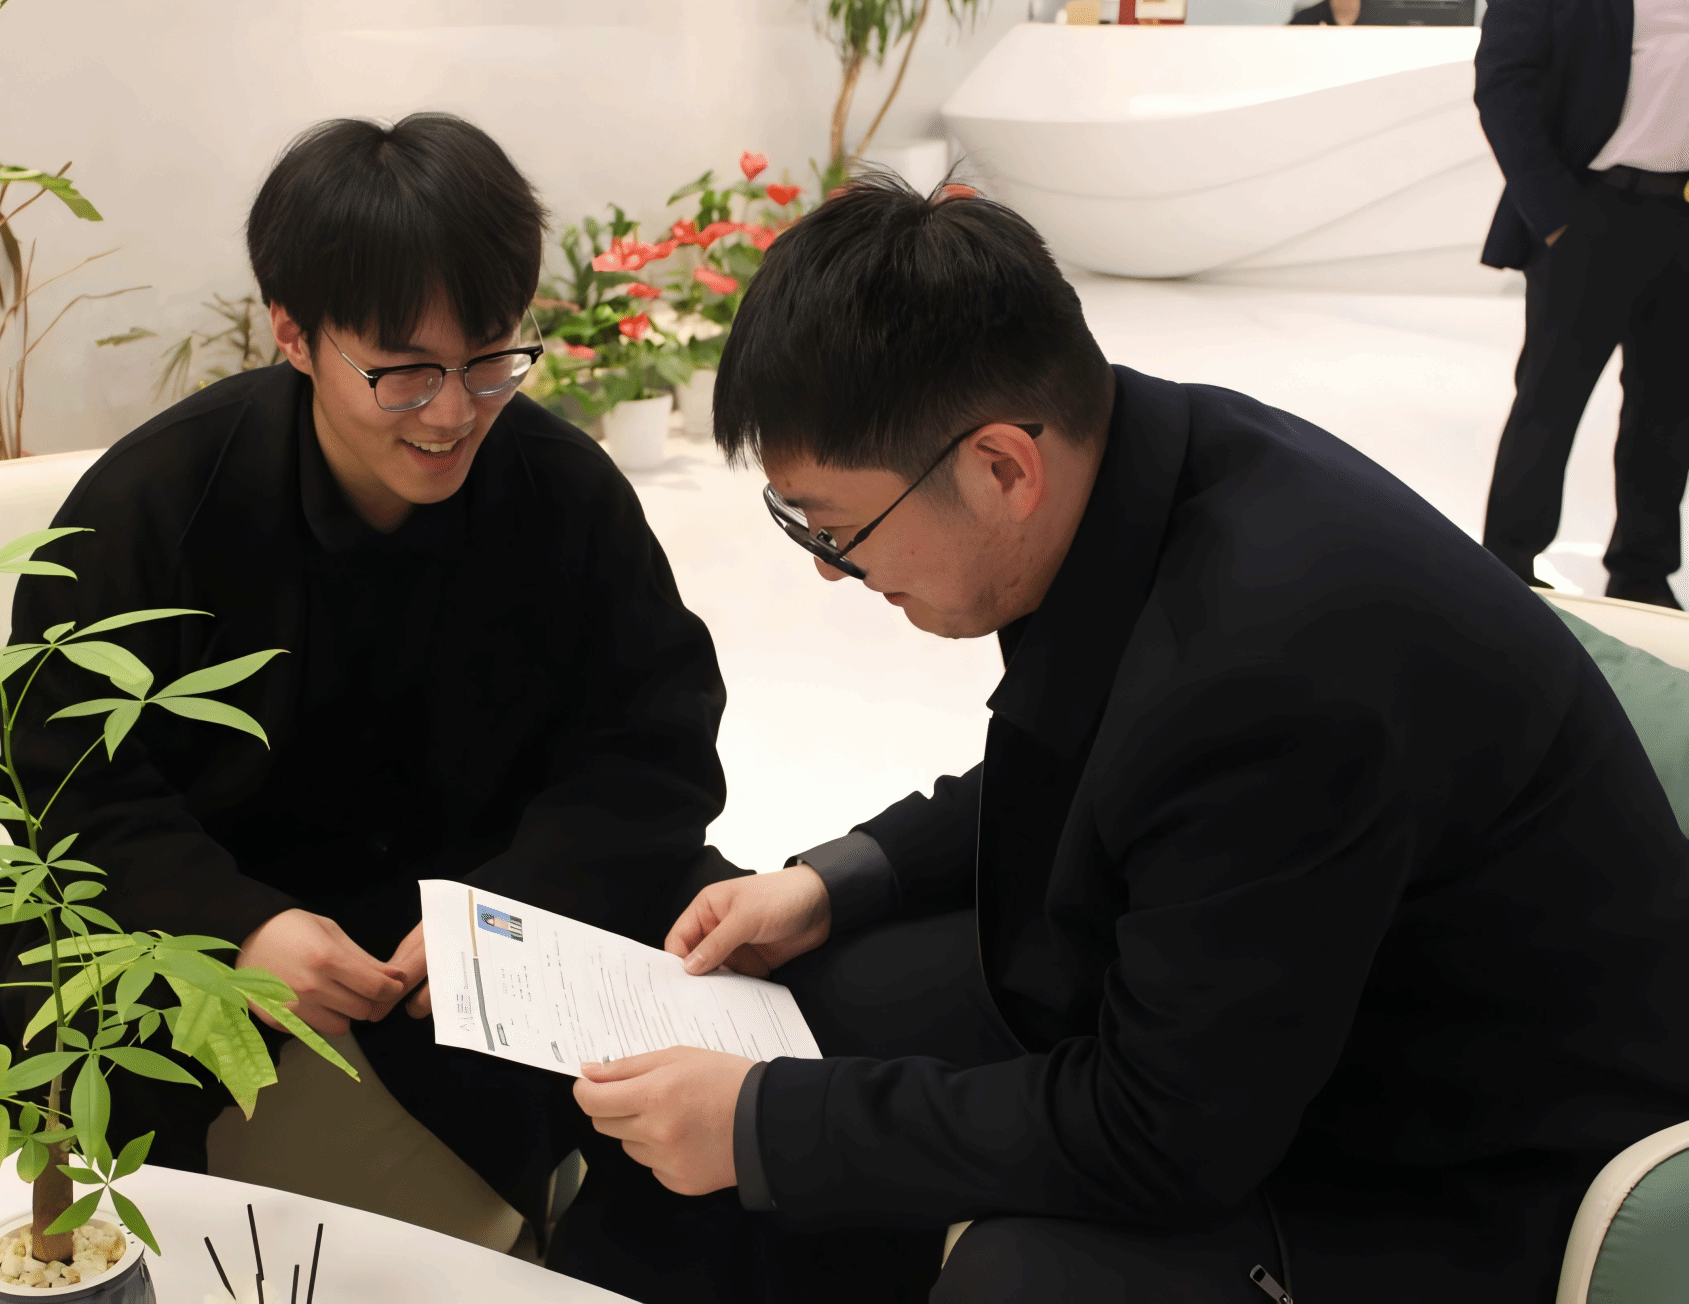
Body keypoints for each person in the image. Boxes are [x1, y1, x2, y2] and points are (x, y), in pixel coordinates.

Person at [546, 175, 1689, 1304]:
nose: (828, 571)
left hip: (1454, 1152)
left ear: (1001, 468)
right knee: (790, 1019)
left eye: (839, 530)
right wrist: (830, 882)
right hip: (1259, 995)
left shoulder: (1266, 660)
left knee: (992, 1263)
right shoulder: (1141, 459)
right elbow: (1092, 761)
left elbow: (1162, 1134)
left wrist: (766, 1128)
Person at [0, 113, 740, 1236]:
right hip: (199, 893)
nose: (452, 412)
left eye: (490, 358)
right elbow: (65, 778)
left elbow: (653, 748)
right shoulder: (154, 503)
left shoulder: (565, 491)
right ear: (292, 332)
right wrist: (236, 925)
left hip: (480, 897)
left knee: (727, 992)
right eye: (403, 371)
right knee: (19, 1118)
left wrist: (513, 903)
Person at [1477, 0, 1689, 608]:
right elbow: (1502, 78)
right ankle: (1507, 569)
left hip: (1683, 213)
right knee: (1550, 400)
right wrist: (1556, 217)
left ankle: (1643, 572)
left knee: (1669, 409)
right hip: (1587, 211)